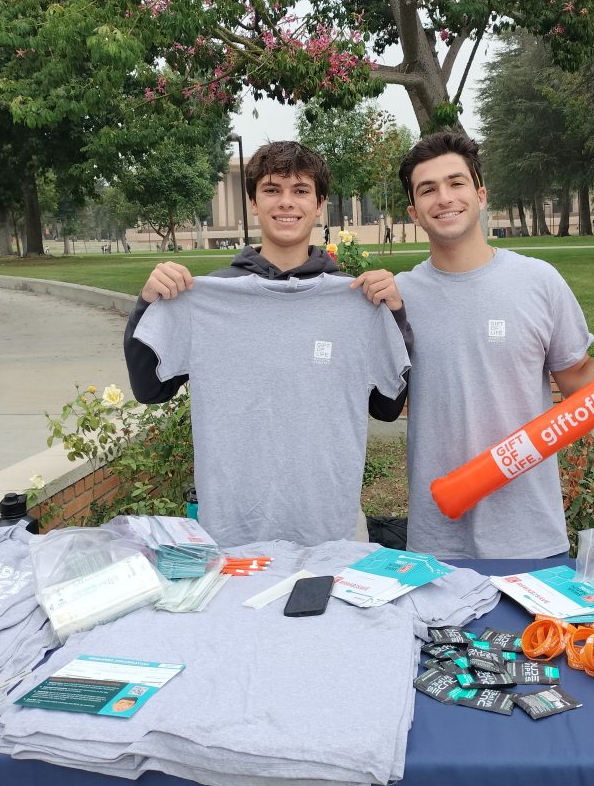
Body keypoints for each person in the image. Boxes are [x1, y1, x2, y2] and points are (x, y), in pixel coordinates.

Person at [394, 132, 594, 559]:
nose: (444, 198)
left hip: (531, 536)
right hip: (438, 541)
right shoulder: (399, 298)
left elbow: (577, 379)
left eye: (456, 183)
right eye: (428, 189)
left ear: (481, 194)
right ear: (414, 211)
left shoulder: (538, 282)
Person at [124, 141, 411, 548]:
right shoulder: (208, 298)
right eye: (272, 190)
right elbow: (148, 388)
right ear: (254, 203)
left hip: (327, 533)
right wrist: (146, 304)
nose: (286, 203)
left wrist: (394, 316)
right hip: (230, 535)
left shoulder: (356, 301)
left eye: (300, 190)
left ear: (320, 204)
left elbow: (387, 407)